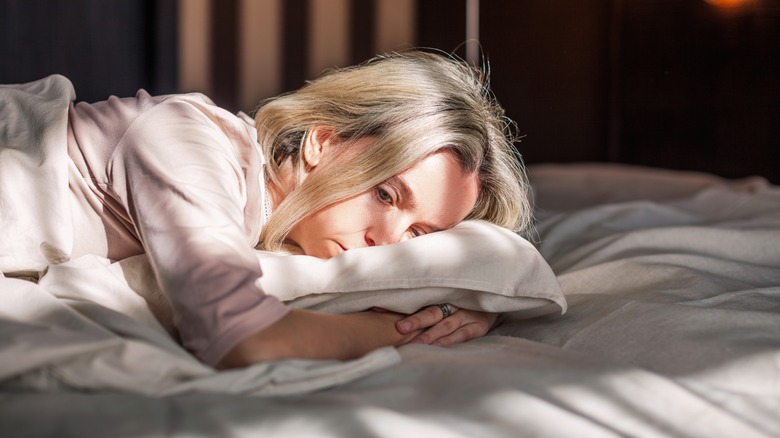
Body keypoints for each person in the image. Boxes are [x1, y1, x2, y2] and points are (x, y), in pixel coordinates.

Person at [0, 50, 532, 369]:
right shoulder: (187, 141)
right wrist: (414, 328)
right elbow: (242, 340)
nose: (387, 242)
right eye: (386, 194)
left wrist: (465, 302)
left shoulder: (269, 225)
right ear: (323, 141)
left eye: (418, 235)